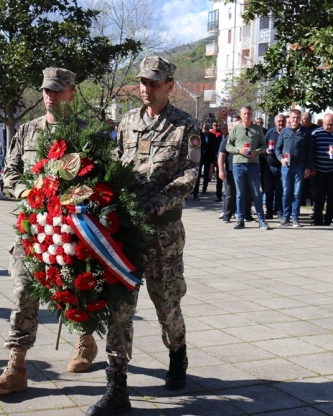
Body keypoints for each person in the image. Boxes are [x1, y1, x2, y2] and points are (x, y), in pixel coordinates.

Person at [86, 56, 200, 416]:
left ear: (169, 86)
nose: (146, 89)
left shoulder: (186, 126)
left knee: (167, 306)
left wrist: (155, 204)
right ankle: (116, 384)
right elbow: (117, 163)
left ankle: (177, 352)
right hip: (127, 233)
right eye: (142, 82)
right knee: (121, 307)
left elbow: (190, 176)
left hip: (163, 232)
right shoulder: (128, 121)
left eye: (154, 83)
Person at [0, 68, 98, 396]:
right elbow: (10, 171)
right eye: (46, 90)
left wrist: (66, 200)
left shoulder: (84, 132)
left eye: (57, 90)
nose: (50, 96)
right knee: (23, 289)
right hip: (33, 227)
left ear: (71, 93)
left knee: (76, 290)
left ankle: (86, 339)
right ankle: (16, 365)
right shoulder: (27, 131)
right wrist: (25, 193)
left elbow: (96, 181)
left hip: (71, 227)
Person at [226, 106, 270, 230]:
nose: (247, 116)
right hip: (238, 164)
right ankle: (240, 220)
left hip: (253, 165)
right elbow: (228, 146)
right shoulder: (236, 129)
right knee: (240, 193)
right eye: (244, 114)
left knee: (256, 193)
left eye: (249, 114)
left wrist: (256, 151)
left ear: (252, 115)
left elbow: (264, 145)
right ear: (241, 115)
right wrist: (238, 150)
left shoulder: (257, 129)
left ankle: (261, 220)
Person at [276, 109, 313, 227]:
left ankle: (295, 217)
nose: (295, 120)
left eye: (297, 118)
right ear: (289, 119)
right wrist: (281, 159)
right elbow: (277, 149)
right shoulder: (284, 132)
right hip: (286, 166)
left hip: (300, 165)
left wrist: (308, 167)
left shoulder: (306, 132)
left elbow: (310, 151)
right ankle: (285, 217)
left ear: (300, 119)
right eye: (293, 118)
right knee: (286, 192)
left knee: (297, 193)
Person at [263, 114, 285, 219]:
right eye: (279, 121)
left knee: (280, 190)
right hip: (270, 166)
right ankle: (269, 211)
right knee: (269, 190)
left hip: (283, 166)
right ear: (275, 122)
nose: (281, 123)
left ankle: (279, 211)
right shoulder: (270, 133)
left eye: (282, 121)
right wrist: (266, 150)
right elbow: (262, 145)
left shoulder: (287, 133)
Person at [192, 123, 217, 200]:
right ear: (202, 128)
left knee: (206, 174)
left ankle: (204, 187)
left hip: (208, 157)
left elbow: (213, 147)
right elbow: (195, 145)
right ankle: (195, 193)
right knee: (198, 174)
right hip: (199, 157)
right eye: (204, 128)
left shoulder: (212, 136)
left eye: (207, 128)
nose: (205, 130)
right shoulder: (198, 135)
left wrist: (213, 158)